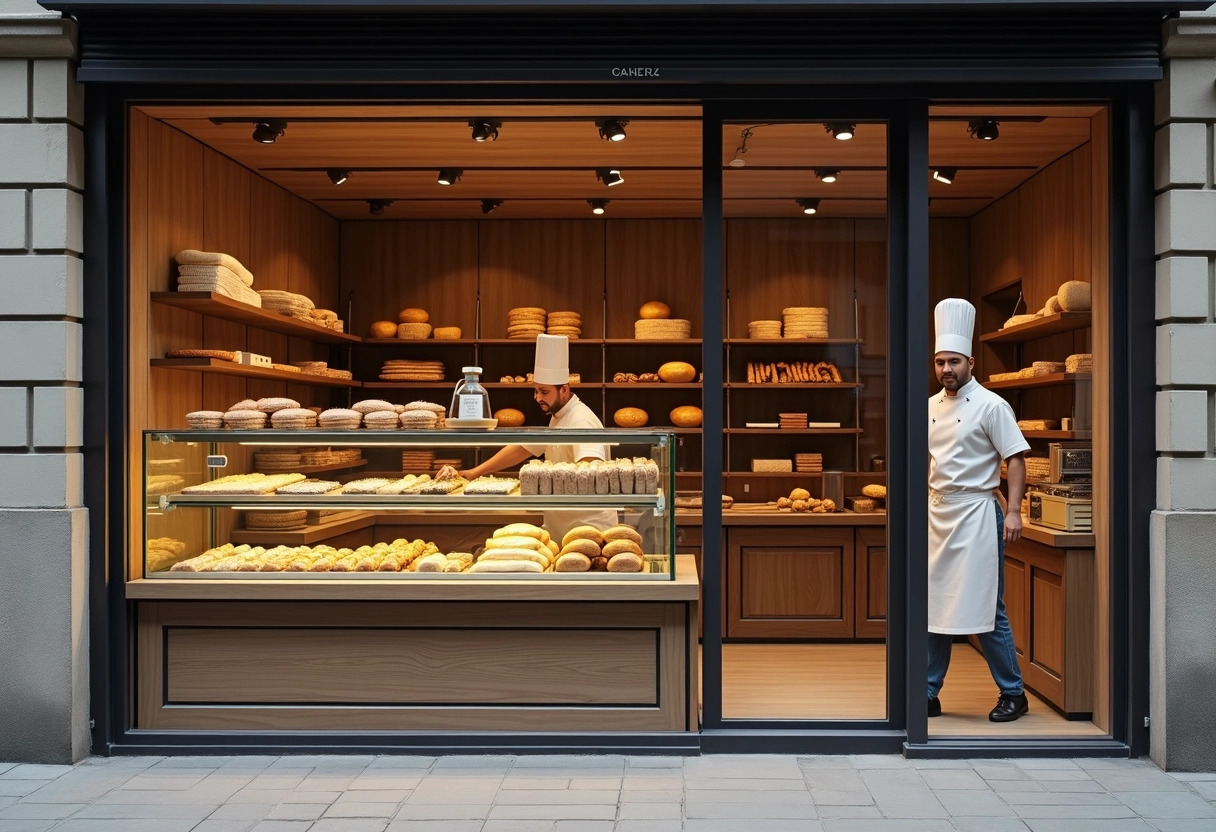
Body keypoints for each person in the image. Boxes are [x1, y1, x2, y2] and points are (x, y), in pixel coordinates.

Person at [928, 298, 1031, 722]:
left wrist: (1014, 511)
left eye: (953, 361)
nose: (946, 369)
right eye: (939, 362)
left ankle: (1014, 693)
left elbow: (1017, 458)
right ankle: (927, 692)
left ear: (970, 362)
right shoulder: (930, 406)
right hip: (938, 516)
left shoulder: (992, 405)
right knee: (933, 607)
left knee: (986, 609)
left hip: (977, 512)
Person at [437, 334, 617, 542]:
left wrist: (543, 483)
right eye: (535, 390)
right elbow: (523, 448)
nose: (537, 397)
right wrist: (474, 472)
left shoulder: (580, 419)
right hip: (562, 527)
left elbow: (590, 469)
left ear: (564, 390)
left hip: (588, 528)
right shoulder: (559, 415)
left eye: (544, 391)